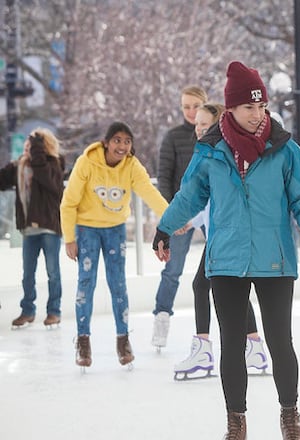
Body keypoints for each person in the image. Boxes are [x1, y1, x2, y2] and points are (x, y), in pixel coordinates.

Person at [152, 61, 300, 440]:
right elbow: (189, 196)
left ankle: (290, 414)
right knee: (232, 343)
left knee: (279, 340)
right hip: (226, 260)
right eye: (250, 107)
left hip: (275, 258)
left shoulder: (285, 149)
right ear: (231, 108)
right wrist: (164, 227)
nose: (258, 115)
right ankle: (236, 421)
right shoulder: (210, 151)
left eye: (263, 106)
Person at [60, 121, 169, 369]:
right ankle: (83, 341)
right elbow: (69, 202)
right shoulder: (87, 162)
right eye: (117, 140)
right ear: (106, 142)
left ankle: (123, 340)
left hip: (115, 230)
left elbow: (150, 194)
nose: (122, 146)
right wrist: (69, 238)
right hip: (86, 229)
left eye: (127, 141)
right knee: (86, 282)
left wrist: (171, 218)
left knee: (118, 283)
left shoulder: (131, 166)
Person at [173, 102, 269, 380]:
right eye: (197, 124)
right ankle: (255, 347)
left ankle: (204, 351)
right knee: (225, 286)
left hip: (228, 235)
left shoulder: (220, 152)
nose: (199, 128)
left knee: (203, 284)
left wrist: (189, 220)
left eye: (205, 124)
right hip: (222, 234)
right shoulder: (210, 151)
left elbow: (216, 198)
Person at [151, 85, 208, 351]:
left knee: (224, 270)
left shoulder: (214, 134)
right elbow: (164, 177)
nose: (190, 111)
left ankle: (243, 332)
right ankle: (161, 319)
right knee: (172, 270)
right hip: (181, 213)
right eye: (185, 106)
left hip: (210, 211)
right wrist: (173, 215)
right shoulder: (173, 137)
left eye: (195, 106)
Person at [0, 129, 65, 329]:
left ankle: (54, 311)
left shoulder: (54, 165)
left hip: (49, 228)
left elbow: (48, 180)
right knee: (28, 273)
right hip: (29, 230)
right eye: (27, 146)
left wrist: (38, 150)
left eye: (33, 146)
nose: (28, 150)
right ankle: (28, 311)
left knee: (53, 272)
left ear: (43, 148)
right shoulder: (19, 166)